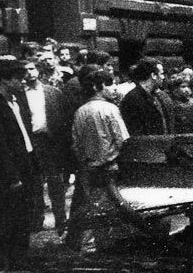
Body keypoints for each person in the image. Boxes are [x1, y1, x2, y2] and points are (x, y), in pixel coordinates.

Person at [0, 61, 38, 273]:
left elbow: (23, 135)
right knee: (2, 219)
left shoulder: (16, 100)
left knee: (21, 218)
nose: (23, 82)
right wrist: (12, 176)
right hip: (5, 174)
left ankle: (18, 263)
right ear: (4, 80)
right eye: (18, 78)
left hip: (24, 165)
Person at [63, 70, 129, 252]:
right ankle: (102, 245)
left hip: (87, 167)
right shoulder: (110, 109)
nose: (113, 88)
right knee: (108, 207)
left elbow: (76, 143)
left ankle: (85, 244)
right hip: (110, 166)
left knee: (90, 204)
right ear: (97, 87)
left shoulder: (80, 111)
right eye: (109, 84)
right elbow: (123, 140)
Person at [22, 59, 70, 234]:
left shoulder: (53, 92)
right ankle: (37, 219)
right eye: (25, 70)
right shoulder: (19, 95)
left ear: (38, 71)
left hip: (50, 141)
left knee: (55, 181)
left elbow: (63, 118)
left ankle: (61, 220)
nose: (29, 72)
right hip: (31, 141)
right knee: (34, 182)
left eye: (32, 68)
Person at [119, 58, 170, 135]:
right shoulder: (132, 99)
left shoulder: (158, 96)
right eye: (161, 74)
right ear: (153, 75)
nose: (163, 77)